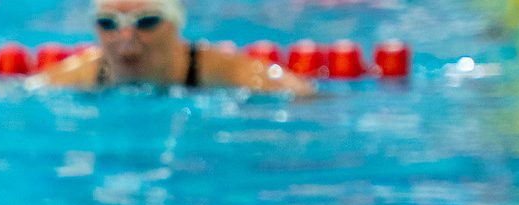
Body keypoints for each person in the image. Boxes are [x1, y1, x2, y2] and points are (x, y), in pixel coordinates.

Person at [36, 0, 317, 96]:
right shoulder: (70, 78)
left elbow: (305, 96)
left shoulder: (232, 73)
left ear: (176, 23)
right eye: (108, 23)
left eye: (146, 21)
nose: (126, 37)